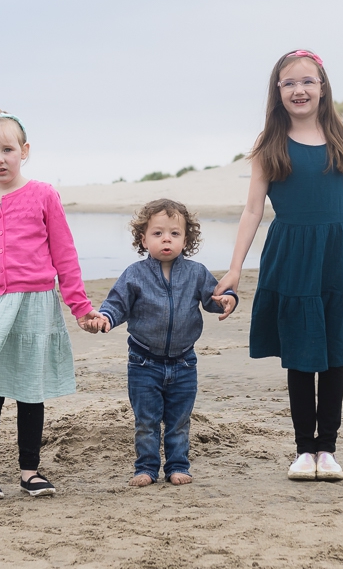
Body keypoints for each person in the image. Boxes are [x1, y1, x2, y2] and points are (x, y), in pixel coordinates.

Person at [214, 49, 343, 482]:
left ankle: (328, 449)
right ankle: (303, 450)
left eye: (307, 82)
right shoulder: (269, 143)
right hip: (291, 256)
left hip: (337, 255)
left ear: (322, 87)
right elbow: (252, 210)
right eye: (289, 83)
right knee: (299, 354)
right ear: (277, 91)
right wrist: (235, 268)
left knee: (335, 353)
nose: (299, 90)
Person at [0, 109, 100, 500]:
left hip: (35, 303)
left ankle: (30, 471)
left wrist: (79, 306)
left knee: (30, 391)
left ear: (24, 151)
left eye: (7, 150)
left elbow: (64, 253)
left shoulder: (43, 194)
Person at [86, 199, 238, 486]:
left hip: (184, 362)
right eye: (157, 233)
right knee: (146, 421)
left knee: (179, 420)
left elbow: (214, 298)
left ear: (186, 240)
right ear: (143, 239)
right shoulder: (135, 274)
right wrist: (104, 318)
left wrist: (227, 299)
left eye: (174, 233)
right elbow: (116, 305)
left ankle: (178, 466)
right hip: (143, 362)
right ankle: (146, 468)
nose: (166, 239)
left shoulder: (196, 273)